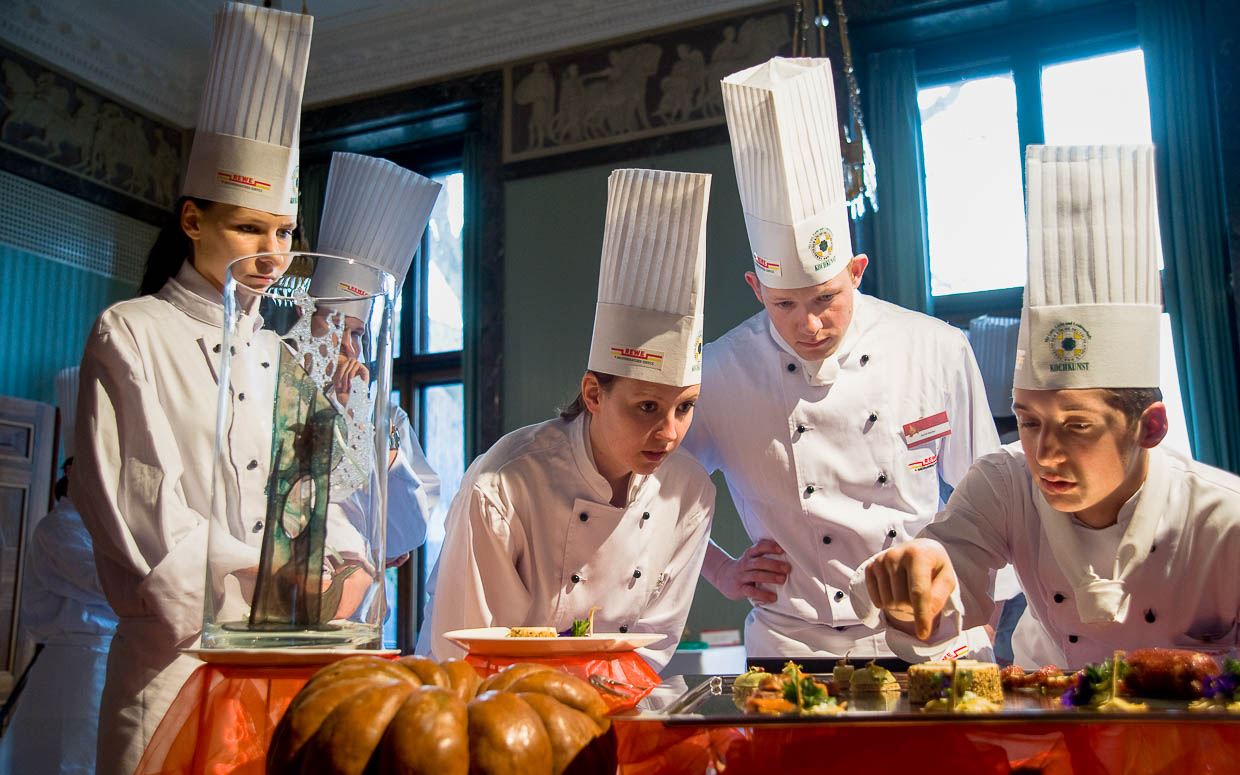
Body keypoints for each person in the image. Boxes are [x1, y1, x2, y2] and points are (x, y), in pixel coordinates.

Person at [854, 145, 1240, 668]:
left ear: (1150, 427)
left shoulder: (1225, 522)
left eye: (1077, 426)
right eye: (1029, 420)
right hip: (1044, 705)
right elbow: (951, 562)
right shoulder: (1006, 483)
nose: (1044, 453)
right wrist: (918, 578)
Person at [682, 57, 999, 659]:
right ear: (756, 289)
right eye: (784, 304)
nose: (809, 324)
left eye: (827, 298)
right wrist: (721, 570)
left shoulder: (936, 347)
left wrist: (985, 623)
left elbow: (990, 499)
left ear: (856, 272)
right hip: (790, 644)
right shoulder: (720, 371)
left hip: (931, 635)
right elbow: (655, 491)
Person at [71, 6, 313, 772]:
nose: (272, 254)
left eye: (284, 232)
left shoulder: (282, 357)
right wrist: (263, 577)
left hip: (276, 669)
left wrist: (321, 570)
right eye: (249, 228)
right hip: (169, 670)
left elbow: (310, 504)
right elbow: (142, 516)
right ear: (192, 219)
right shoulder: (129, 332)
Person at [418, 169, 716, 670]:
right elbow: (468, 652)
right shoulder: (502, 484)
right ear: (594, 394)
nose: (669, 433)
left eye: (684, 407)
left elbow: (652, 651)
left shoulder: (691, 493)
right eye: (647, 407)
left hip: (616, 701)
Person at [308, 151, 444, 566]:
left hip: (362, 602)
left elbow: (408, 535)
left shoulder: (388, 418)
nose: (349, 347)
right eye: (335, 325)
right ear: (304, 317)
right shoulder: (274, 395)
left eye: (357, 333)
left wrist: (364, 428)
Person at [0, 368, 117, 775]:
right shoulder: (62, 527)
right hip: (79, 660)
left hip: (101, 657)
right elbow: (105, 584)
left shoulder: (96, 526)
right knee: (74, 757)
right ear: (72, 474)